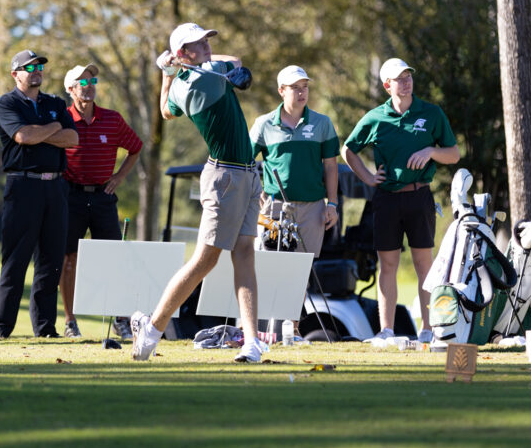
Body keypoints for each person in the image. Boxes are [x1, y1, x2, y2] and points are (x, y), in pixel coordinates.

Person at [132, 22, 263, 363]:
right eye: (198, 43)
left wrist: (168, 72)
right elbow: (233, 64)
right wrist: (179, 67)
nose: (206, 45)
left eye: (206, 39)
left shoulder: (186, 82)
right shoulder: (203, 81)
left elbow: (164, 111)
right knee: (206, 259)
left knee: (245, 253)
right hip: (226, 178)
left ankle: (251, 341)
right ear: (183, 52)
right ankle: (152, 328)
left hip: (246, 173)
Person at [340, 58, 460, 344]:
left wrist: (431, 151)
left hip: (419, 196)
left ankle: (429, 329)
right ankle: (387, 331)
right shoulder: (375, 118)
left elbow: (453, 154)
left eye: (408, 76)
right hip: (386, 199)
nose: (406, 82)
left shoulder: (431, 113)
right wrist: (368, 178)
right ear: (387, 85)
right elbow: (348, 149)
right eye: (399, 78)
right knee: (388, 265)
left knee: (424, 266)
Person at [0, 50, 78, 339]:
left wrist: (42, 131)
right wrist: (55, 128)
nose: (37, 70)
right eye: (30, 67)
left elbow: (73, 138)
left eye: (40, 65)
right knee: (16, 260)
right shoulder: (6, 103)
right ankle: (1, 329)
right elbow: (22, 137)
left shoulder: (55, 102)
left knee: (51, 261)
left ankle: (45, 329)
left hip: (55, 186)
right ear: (15, 73)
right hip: (23, 186)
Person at [59, 62, 143, 338]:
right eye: (83, 83)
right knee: (68, 258)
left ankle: (120, 319)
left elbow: (135, 148)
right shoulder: (62, 118)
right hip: (70, 196)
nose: (89, 87)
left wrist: (119, 177)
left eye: (92, 82)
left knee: (113, 258)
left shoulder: (112, 119)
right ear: (71, 89)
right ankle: (70, 321)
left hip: (103, 197)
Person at [249, 65, 340, 261]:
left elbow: (331, 166)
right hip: (275, 208)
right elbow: (244, 161)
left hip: (313, 209)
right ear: (281, 90)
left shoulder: (322, 123)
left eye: (305, 86)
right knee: (269, 267)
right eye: (295, 87)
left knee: (303, 273)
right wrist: (255, 190)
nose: (302, 92)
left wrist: (332, 204)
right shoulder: (263, 124)